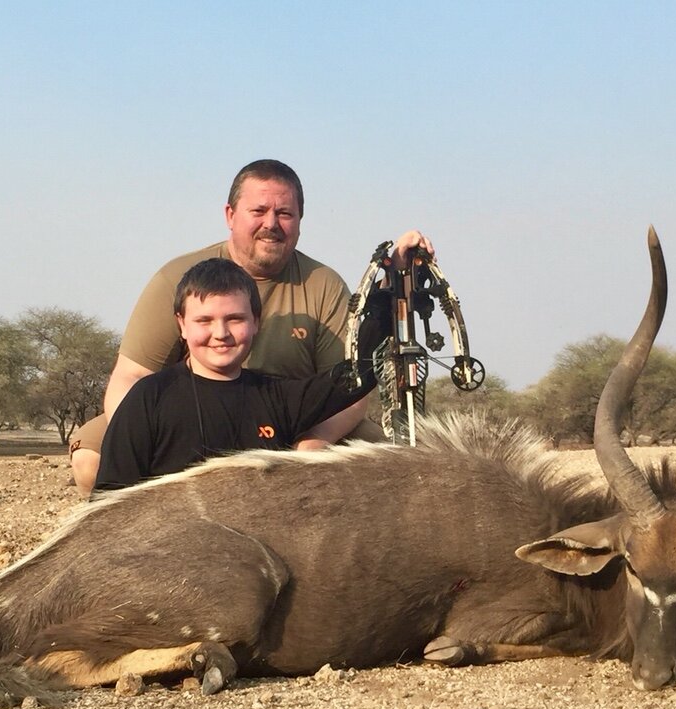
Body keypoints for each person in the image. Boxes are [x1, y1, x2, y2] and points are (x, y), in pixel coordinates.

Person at [70, 158, 433, 494]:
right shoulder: (175, 277)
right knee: (93, 463)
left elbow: (349, 385)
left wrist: (312, 445)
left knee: (392, 474)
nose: (271, 224)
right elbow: (130, 376)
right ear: (230, 214)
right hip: (185, 416)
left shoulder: (324, 284)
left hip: (293, 417)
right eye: (258, 211)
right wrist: (143, 434)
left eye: (285, 213)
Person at [93, 258, 387, 493]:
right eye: (204, 320)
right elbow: (108, 498)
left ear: (256, 322)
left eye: (235, 319)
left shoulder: (276, 397)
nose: (220, 334)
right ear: (181, 325)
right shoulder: (148, 398)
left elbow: (356, 375)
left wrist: (391, 287)